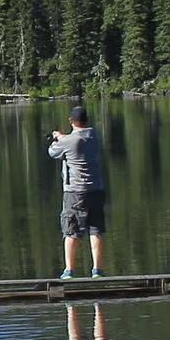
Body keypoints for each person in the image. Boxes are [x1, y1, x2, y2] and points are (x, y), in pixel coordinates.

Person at [47, 105, 107, 278]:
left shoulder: (67, 141)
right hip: (96, 189)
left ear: (71, 121)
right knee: (95, 229)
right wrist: (64, 137)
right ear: (86, 119)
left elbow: (52, 152)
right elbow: (78, 138)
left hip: (75, 191)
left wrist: (56, 139)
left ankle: (69, 270)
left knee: (71, 230)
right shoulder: (94, 136)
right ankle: (97, 269)